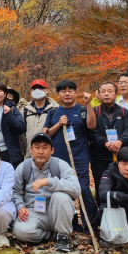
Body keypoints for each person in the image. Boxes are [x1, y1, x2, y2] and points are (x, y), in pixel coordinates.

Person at [43, 79, 97, 230]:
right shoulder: (53, 112)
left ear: (75, 93)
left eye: (70, 90)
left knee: (83, 189)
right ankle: (71, 223)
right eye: (63, 91)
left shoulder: (82, 109)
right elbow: (45, 134)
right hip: (58, 159)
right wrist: (59, 124)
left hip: (79, 158)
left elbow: (92, 125)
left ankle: (90, 225)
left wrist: (89, 105)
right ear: (58, 95)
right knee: (63, 191)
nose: (67, 94)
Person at [12, 133, 81, 252]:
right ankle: (50, 235)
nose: (40, 151)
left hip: (56, 212)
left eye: (45, 147)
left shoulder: (60, 165)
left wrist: (49, 181)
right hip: (33, 212)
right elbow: (15, 191)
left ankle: (62, 236)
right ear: (31, 149)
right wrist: (20, 206)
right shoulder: (23, 167)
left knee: (61, 196)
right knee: (20, 231)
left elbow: (76, 189)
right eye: (37, 147)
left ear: (52, 150)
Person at [89, 81, 128, 202]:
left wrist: (120, 141)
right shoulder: (94, 111)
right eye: (103, 91)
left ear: (116, 93)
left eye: (110, 91)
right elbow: (91, 132)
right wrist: (105, 142)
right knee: (101, 185)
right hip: (99, 157)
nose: (106, 94)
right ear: (98, 94)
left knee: (121, 185)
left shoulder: (124, 112)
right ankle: (103, 215)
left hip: (121, 155)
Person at [22, 79, 59, 158]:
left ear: (46, 91)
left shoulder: (55, 108)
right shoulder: (25, 110)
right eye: (34, 89)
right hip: (30, 153)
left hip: (50, 153)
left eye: (40, 88)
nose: (37, 91)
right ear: (31, 91)